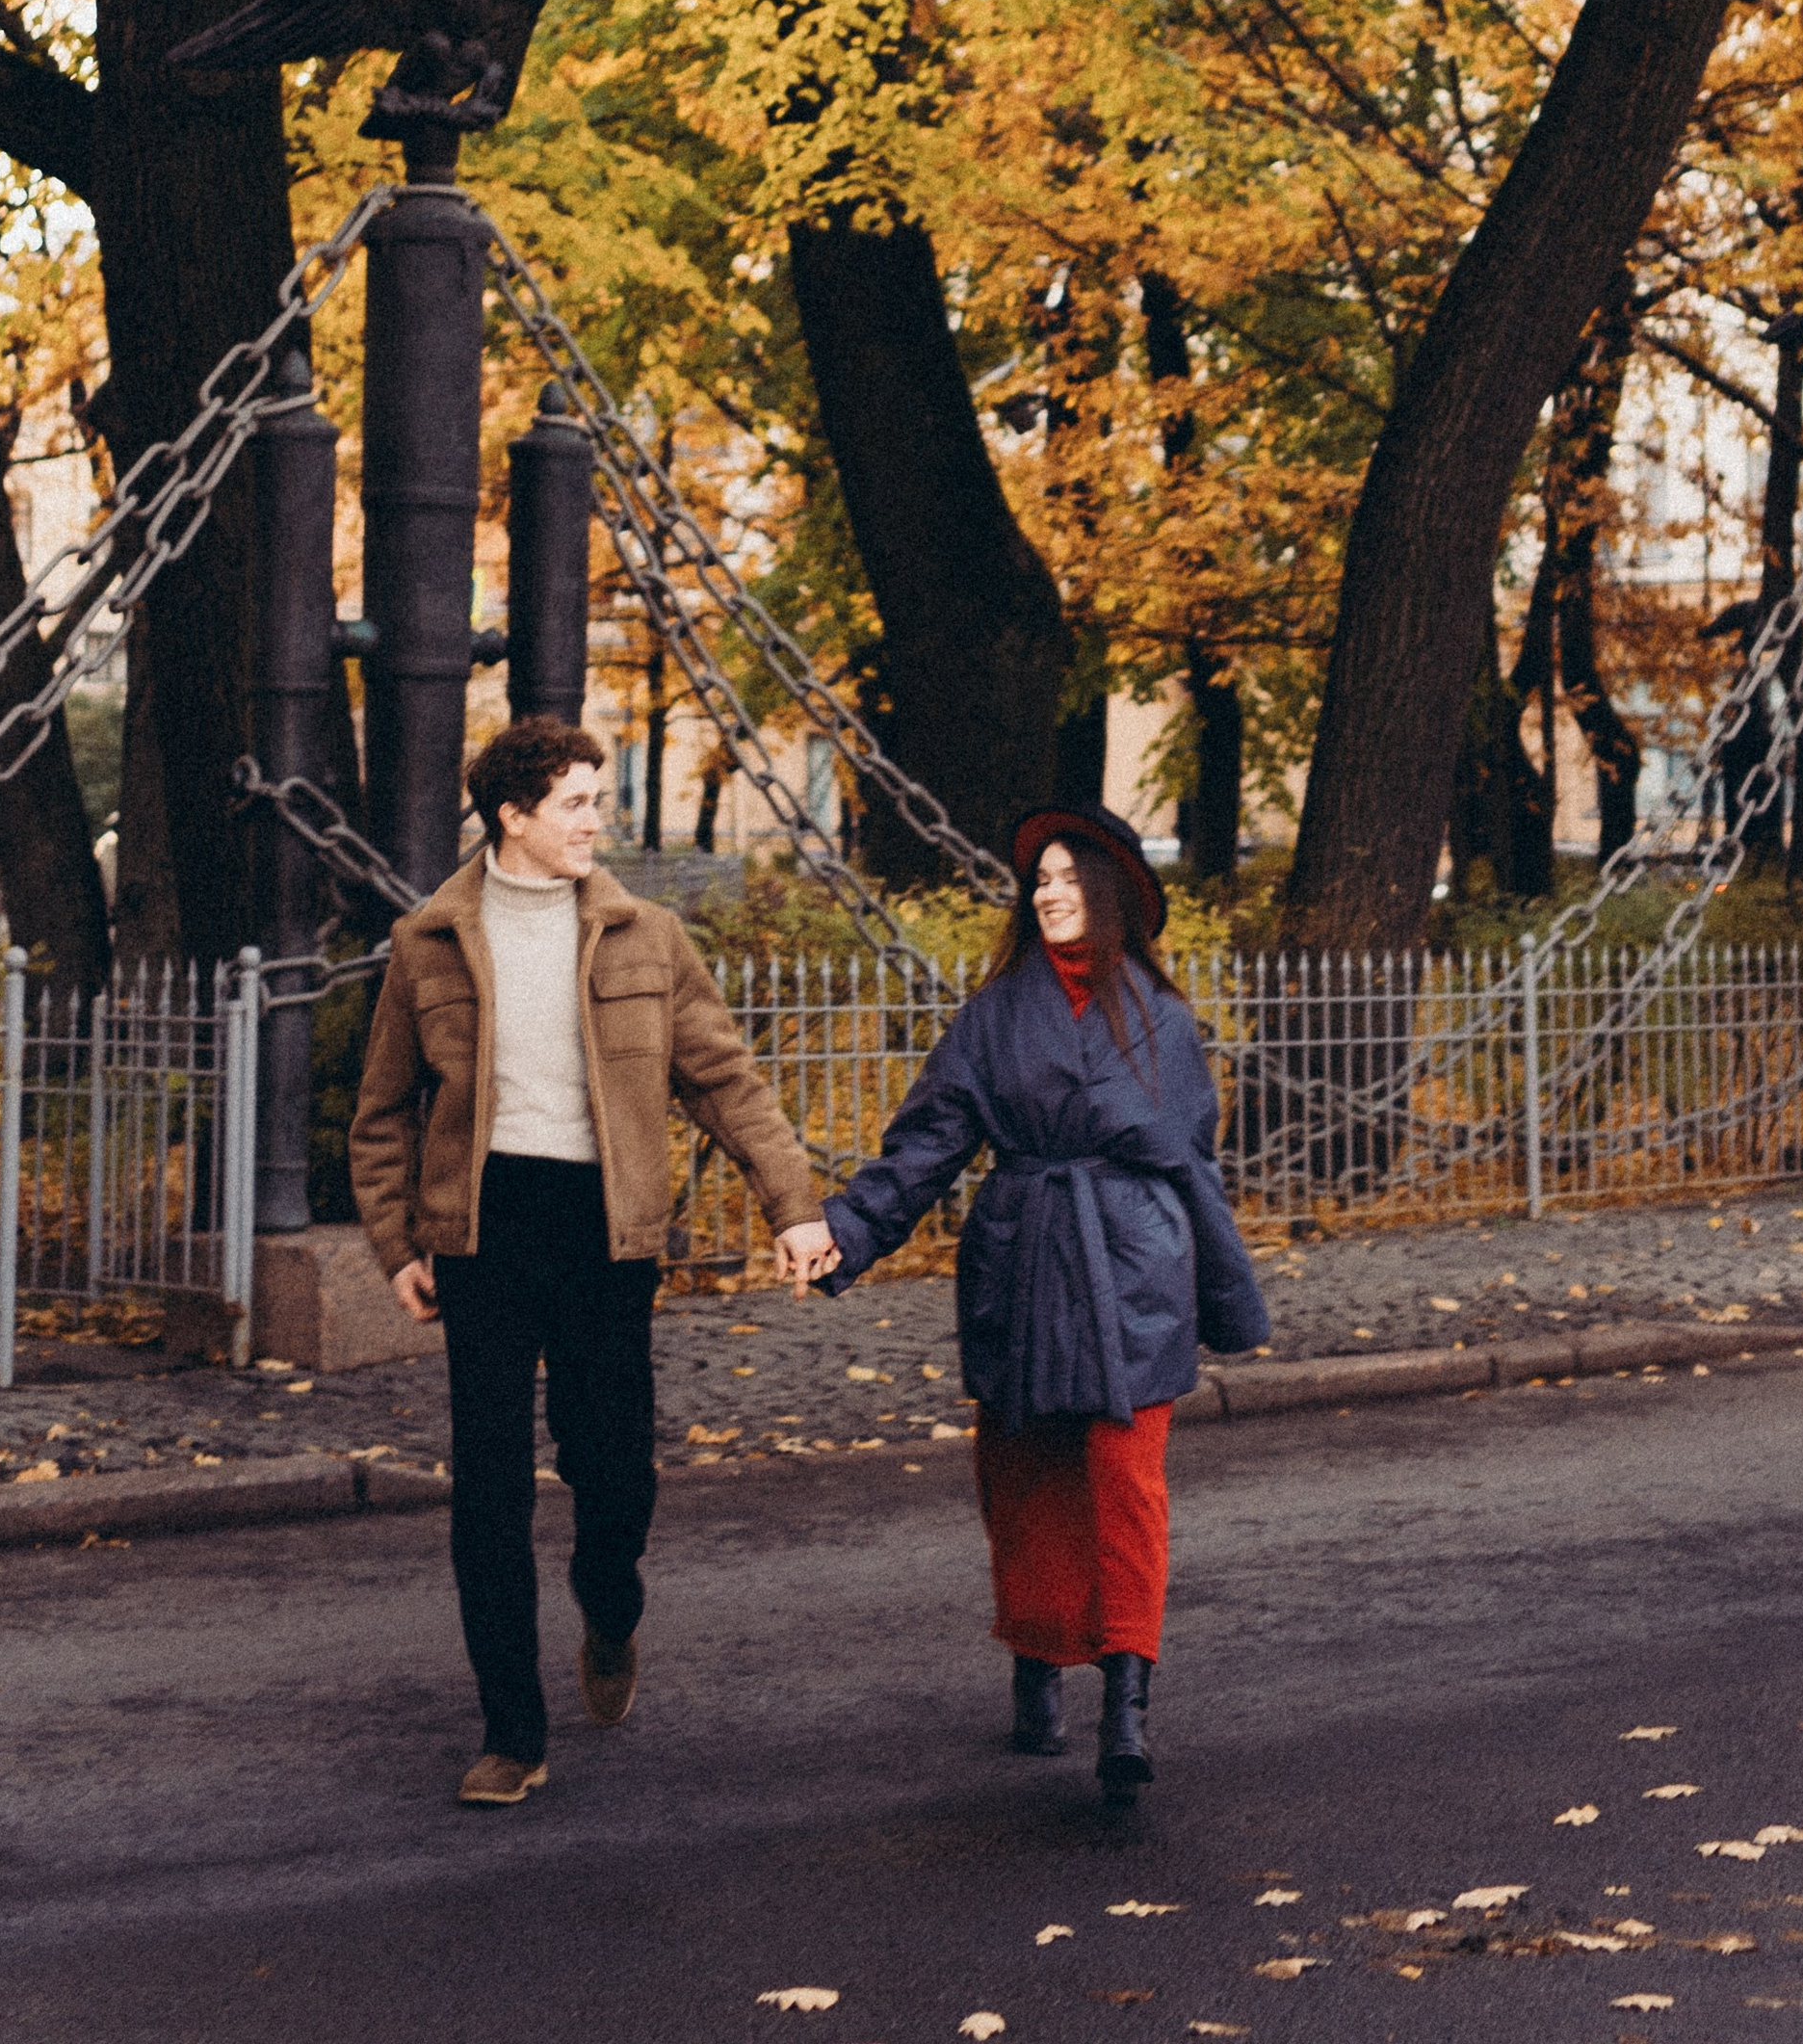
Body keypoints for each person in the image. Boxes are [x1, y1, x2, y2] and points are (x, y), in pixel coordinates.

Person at [351, 714, 831, 1807]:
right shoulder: (427, 940)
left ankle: (609, 1602)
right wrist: (395, 1246)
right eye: (574, 803)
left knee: (612, 1467)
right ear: (512, 818)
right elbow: (378, 1114)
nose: (594, 822)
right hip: (482, 1229)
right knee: (487, 1486)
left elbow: (726, 1084)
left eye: (594, 801)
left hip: (606, 1230)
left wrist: (792, 1208)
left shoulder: (646, 935)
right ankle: (511, 1735)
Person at [809, 803, 1270, 1804]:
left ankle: (1127, 1700)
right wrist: (848, 1230)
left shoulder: (1165, 1020)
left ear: (1109, 894)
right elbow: (927, 1143)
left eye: (1069, 878)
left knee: (1123, 1479)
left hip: (1134, 1266)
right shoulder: (992, 1016)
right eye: (1040, 880)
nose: (1051, 894)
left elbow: (1195, 1168)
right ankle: (1035, 1659)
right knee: (1022, 1479)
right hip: (1021, 1258)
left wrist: (1222, 1289)